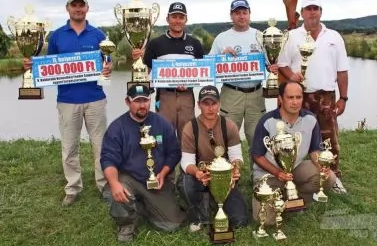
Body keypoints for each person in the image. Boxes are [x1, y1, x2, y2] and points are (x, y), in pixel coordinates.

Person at [22, 0, 112, 206]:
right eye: (75, 5)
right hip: (67, 99)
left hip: (95, 98)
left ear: (87, 8)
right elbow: (50, 64)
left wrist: (109, 67)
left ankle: (104, 186)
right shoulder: (56, 36)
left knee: (100, 146)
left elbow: (108, 62)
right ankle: (73, 187)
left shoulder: (98, 34)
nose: (78, 9)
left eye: (82, 5)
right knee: (69, 146)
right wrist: (33, 66)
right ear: (68, 8)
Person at [277, 0, 348, 193]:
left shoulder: (334, 37)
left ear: (321, 11)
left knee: (329, 139)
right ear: (303, 12)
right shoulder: (292, 36)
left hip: (326, 96)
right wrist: (292, 76)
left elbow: (342, 70)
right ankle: (290, 177)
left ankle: (333, 178)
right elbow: (281, 64)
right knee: (292, 138)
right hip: (298, 97)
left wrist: (343, 97)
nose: (312, 12)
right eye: (308, 8)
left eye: (315, 8)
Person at [100, 84, 185, 242]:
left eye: (145, 100)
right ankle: (126, 224)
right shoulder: (117, 128)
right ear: (127, 102)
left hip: (156, 181)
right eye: (137, 101)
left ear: (150, 100)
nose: (142, 105)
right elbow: (108, 158)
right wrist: (113, 183)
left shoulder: (162, 123)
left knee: (171, 225)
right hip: (130, 179)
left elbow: (174, 152)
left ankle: (141, 206)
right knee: (118, 187)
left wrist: (163, 173)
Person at [251, 81, 337, 224]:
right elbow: (257, 155)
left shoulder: (310, 119)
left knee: (329, 178)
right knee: (266, 221)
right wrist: (278, 173)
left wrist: (321, 165)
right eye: (290, 97)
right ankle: (281, 198)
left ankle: (295, 197)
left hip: (295, 169)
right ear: (280, 99)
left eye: (298, 97)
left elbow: (315, 149)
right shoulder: (267, 121)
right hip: (269, 175)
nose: (295, 102)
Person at [208, 0, 278, 167]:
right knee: (225, 135)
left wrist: (273, 67)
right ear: (231, 15)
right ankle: (225, 173)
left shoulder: (260, 36)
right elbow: (209, 67)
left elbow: (270, 62)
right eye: (237, 13)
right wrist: (221, 57)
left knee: (257, 136)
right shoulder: (222, 38)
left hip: (256, 93)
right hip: (231, 93)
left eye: (244, 12)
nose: (241, 16)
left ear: (249, 15)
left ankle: (259, 176)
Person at [177, 85, 248, 232]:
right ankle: (198, 215)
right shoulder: (190, 128)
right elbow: (186, 162)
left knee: (240, 221)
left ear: (219, 104)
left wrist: (235, 168)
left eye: (214, 103)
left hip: (224, 179)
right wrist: (197, 173)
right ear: (199, 105)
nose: (210, 108)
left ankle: (214, 202)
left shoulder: (229, 125)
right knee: (185, 183)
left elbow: (237, 156)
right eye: (206, 103)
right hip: (200, 178)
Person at [132, 2, 204, 141]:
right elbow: (146, 72)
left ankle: (187, 163)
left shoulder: (195, 44)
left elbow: (203, 73)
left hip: (187, 97)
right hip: (164, 97)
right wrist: (137, 61)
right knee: (163, 138)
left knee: (187, 138)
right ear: (167, 19)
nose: (177, 20)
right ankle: (164, 163)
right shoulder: (155, 43)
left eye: (181, 17)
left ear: (186, 20)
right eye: (174, 16)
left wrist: (189, 84)